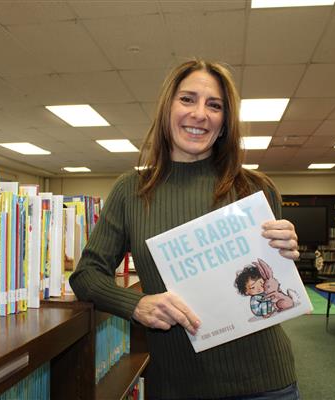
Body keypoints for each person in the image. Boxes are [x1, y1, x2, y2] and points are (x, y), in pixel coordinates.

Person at [69, 59, 301, 399]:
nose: (200, 114)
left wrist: (288, 249)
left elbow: (276, 275)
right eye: (187, 99)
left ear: (224, 123)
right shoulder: (131, 190)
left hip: (265, 383)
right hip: (177, 386)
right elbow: (86, 275)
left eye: (215, 105)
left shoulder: (256, 188)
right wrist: (137, 305)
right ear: (167, 110)